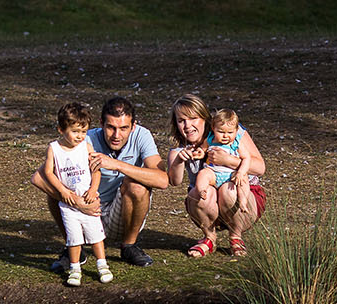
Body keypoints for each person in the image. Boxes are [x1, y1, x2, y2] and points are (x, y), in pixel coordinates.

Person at [95, 93, 265, 258]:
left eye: (193, 118)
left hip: (243, 198)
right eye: (181, 121)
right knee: (198, 193)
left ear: (206, 119)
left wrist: (228, 160)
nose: (187, 125)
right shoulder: (180, 150)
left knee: (228, 191)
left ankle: (236, 237)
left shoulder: (229, 131)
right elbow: (173, 182)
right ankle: (209, 238)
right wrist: (177, 162)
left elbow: (260, 167)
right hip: (211, 203)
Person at [29, 95, 161, 271]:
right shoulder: (84, 138)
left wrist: (117, 165)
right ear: (101, 124)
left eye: (123, 128)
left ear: (133, 126)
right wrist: (77, 202)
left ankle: (129, 246)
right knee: (56, 186)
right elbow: (38, 177)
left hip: (120, 212)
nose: (116, 135)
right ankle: (74, 248)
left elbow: (162, 180)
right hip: (85, 207)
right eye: (111, 127)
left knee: (137, 186)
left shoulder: (142, 136)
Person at [41, 101, 112, 286]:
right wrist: (62, 190)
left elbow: (96, 170)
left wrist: (93, 189)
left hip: (89, 199)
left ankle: (102, 265)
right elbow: (48, 172)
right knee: (73, 238)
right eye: (75, 132)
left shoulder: (86, 147)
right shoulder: (54, 148)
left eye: (83, 131)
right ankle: (75, 268)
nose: (80, 136)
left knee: (96, 235)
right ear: (61, 129)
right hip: (68, 204)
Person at [192, 108, 251, 199]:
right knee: (203, 174)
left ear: (236, 130)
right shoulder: (210, 140)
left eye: (230, 132)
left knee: (243, 179)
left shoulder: (236, 143)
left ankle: (243, 200)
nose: (225, 136)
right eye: (221, 132)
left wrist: (240, 172)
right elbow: (203, 149)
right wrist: (200, 153)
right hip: (213, 173)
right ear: (213, 128)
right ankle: (202, 190)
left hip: (231, 174)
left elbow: (247, 158)